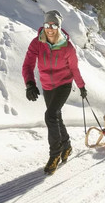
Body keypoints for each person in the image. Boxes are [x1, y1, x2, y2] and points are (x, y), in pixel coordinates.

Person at [22, 10, 87, 175]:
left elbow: (74, 69)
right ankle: (67, 145)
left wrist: (81, 87)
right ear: (44, 25)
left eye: (53, 25)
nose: (50, 28)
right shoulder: (37, 43)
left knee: (50, 115)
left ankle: (55, 154)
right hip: (47, 85)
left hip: (64, 84)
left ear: (58, 26)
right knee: (56, 116)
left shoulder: (68, 47)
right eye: (47, 25)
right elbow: (28, 65)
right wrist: (30, 83)